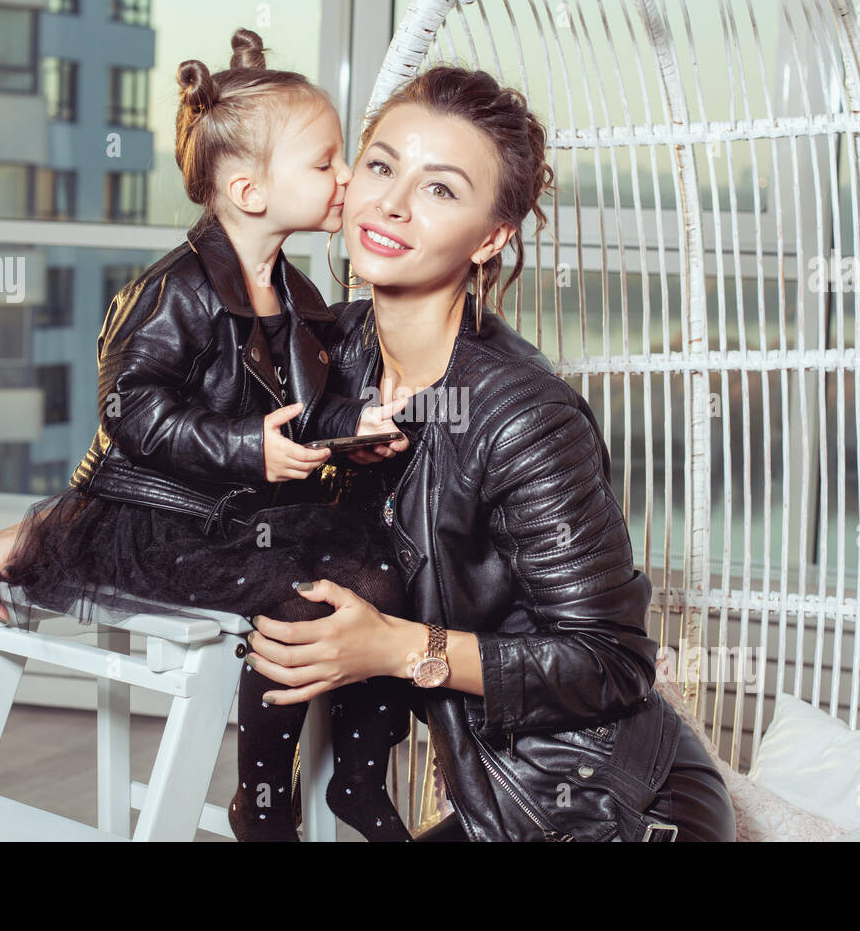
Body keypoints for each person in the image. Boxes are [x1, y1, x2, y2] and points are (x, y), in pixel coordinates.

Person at [241, 64, 737, 842]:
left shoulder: (524, 417)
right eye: (381, 165)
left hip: (612, 805)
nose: (392, 203)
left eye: (440, 189)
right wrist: (46, 535)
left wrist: (397, 649)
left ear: (492, 236)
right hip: (491, 806)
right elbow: (174, 440)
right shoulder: (331, 353)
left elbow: (610, 664)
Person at [0, 29, 416, 842]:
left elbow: (303, 411)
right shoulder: (174, 290)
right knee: (302, 603)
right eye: (326, 162)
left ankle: (356, 776)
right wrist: (248, 447)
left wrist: (355, 429)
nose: (346, 176)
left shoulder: (292, 288)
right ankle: (263, 797)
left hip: (239, 514)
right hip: (165, 520)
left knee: (384, 574)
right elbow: (131, 410)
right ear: (248, 190)